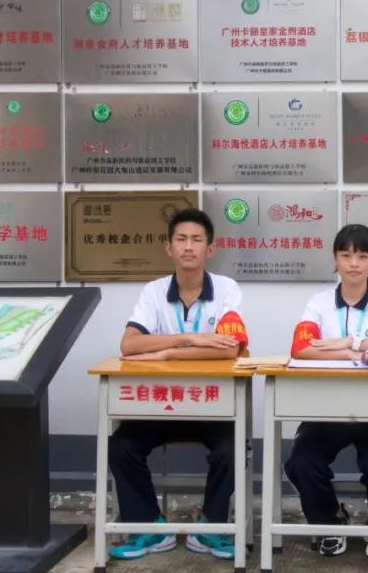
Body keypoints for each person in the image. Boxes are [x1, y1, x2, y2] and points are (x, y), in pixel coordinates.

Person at [107, 207, 247, 561]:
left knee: (232, 448)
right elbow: (129, 345)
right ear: (168, 247)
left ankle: (211, 528)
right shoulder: (154, 292)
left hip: (211, 404)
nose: (188, 246)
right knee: (121, 446)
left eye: (196, 240)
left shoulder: (227, 289)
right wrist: (190, 338)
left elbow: (231, 349)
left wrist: (167, 353)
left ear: (210, 249)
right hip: (161, 404)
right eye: (181, 239)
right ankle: (150, 529)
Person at [283, 224, 368, 560]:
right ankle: (329, 521)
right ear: (335, 259)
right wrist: (357, 353)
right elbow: (300, 349)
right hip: (326, 409)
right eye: (346, 255)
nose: (354, 263)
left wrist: (350, 341)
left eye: (362, 256)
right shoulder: (319, 302)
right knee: (301, 462)